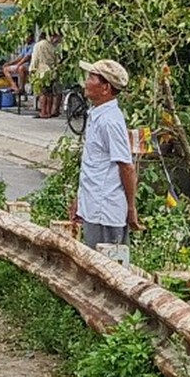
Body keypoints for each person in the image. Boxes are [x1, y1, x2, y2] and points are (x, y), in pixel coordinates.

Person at [70, 59, 141, 249]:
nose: (86, 82)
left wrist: (131, 207)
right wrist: (80, 199)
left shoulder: (110, 121)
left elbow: (126, 167)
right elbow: (94, 165)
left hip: (106, 211)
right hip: (93, 206)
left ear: (105, 88)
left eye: (91, 77)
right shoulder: (97, 114)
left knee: (107, 266)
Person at [32, 32, 61, 118]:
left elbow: (35, 59)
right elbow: (57, 60)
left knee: (42, 93)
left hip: (41, 70)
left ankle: (43, 112)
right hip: (51, 71)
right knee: (50, 93)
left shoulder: (38, 46)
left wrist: (32, 70)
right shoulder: (54, 46)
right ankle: (48, 111)